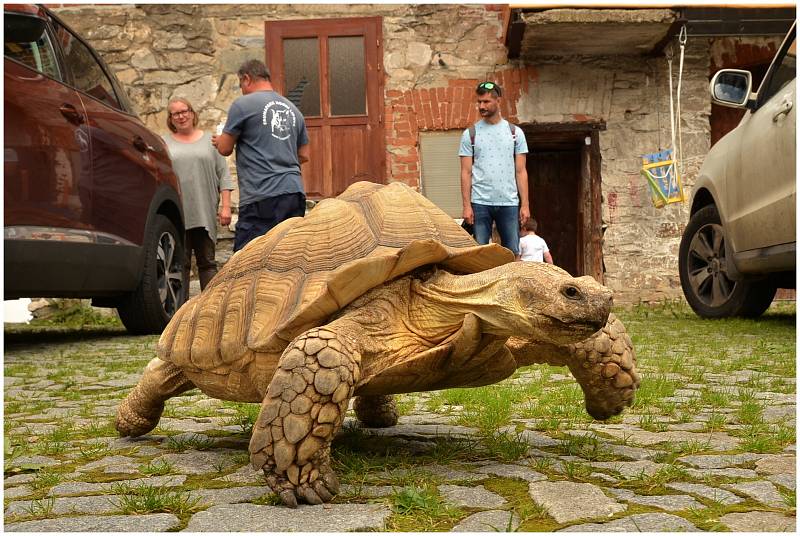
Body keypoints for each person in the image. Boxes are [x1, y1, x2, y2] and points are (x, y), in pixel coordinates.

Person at [213, 59, 310, 251]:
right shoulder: (293, 109)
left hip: (261, 195)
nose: (242, 89)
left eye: (241, 84)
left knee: (247, 259)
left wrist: (219, 141)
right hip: (293, 193)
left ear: (247, 79)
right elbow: (304, 154)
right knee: (287, 254)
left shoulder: (242, 105)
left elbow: (224, 149)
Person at [164, 97, 233, 290]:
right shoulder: (164, 143)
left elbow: (224, 175)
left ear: (192, 113)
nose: (181, 116)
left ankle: (210, 313)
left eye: (184, 111)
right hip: (177, 214)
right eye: (176, 113)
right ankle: (181, 315)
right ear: (170, 118)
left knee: (207, 264)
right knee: (179, 265)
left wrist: (226, 207)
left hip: (205, 212)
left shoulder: (211, 141)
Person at [459, 81, 529, 259]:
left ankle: (513, 287)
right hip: (480, 202)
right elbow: (465, 172)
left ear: (498, 101)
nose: (481, 106)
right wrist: (467, 206)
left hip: (509, 202)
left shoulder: (515, 133)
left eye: (486, 102)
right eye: (479, 102)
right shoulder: (470, 134)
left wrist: (525, 205)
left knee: (512, 253)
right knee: (478, 255)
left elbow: (521, 172)